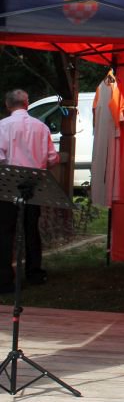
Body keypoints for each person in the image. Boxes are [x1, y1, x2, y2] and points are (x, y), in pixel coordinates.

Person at [0, 89, 60, 293]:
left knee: (5, 231)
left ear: (8, 105)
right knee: (31, 229)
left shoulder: (2, 126)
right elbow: (52, 158)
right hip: (34, 184)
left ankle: (5, 280)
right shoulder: (41, 127)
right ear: (26, 104)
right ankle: (34, 273)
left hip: (8, 184)